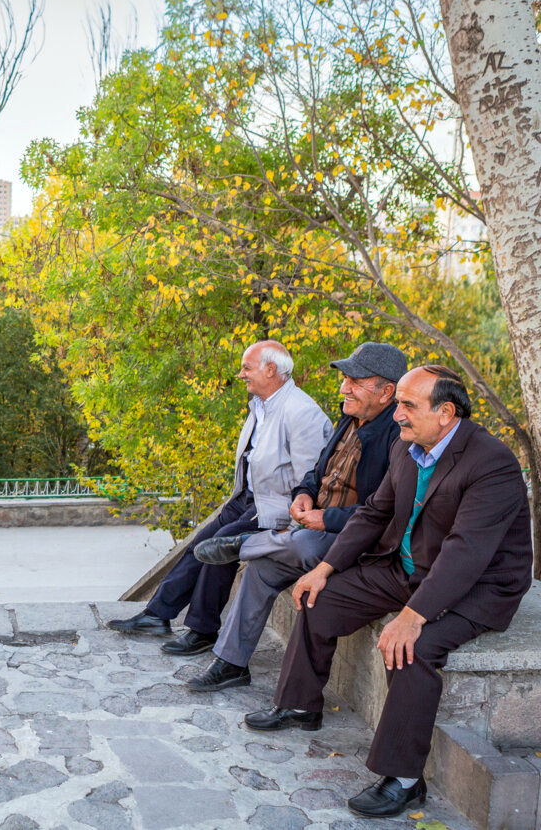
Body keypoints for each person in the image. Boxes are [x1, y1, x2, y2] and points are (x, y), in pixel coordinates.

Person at [244, 365, 533, 818]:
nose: (396, 414)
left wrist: (412, 615)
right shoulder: (409, 446)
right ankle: (300, 707)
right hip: (407, 567)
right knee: (319, 599)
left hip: (477, 586)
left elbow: (466, 552)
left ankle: (403, 778)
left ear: (446, 413)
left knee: (412, 648)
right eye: (396, 402)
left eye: (406, 404)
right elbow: (374, 514)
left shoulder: (490, 461)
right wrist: (325, 567)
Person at [183, 342, 406, 692]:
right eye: (345, 379)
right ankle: (230, 664)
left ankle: (246, 544)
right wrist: (304, 495)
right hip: (313, 529)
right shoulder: (348, 417)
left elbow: (384, 511)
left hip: (355, 541)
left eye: (355, 381)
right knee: (261, 571)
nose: (343, 388)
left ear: (386, 391)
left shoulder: (399, 437)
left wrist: (327, 519)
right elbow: (315, 473)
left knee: (303, 545)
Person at [108, 341, 333, 654]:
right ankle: (157, 614)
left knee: (220, 548)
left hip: (274, 508)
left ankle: (202, 630)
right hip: (246, 498)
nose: (240, 374)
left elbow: (309, 480)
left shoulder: (302, 412)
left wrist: (290, 521)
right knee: (198, 545)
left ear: (270, 369)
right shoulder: (263, 404)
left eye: (246, 367)